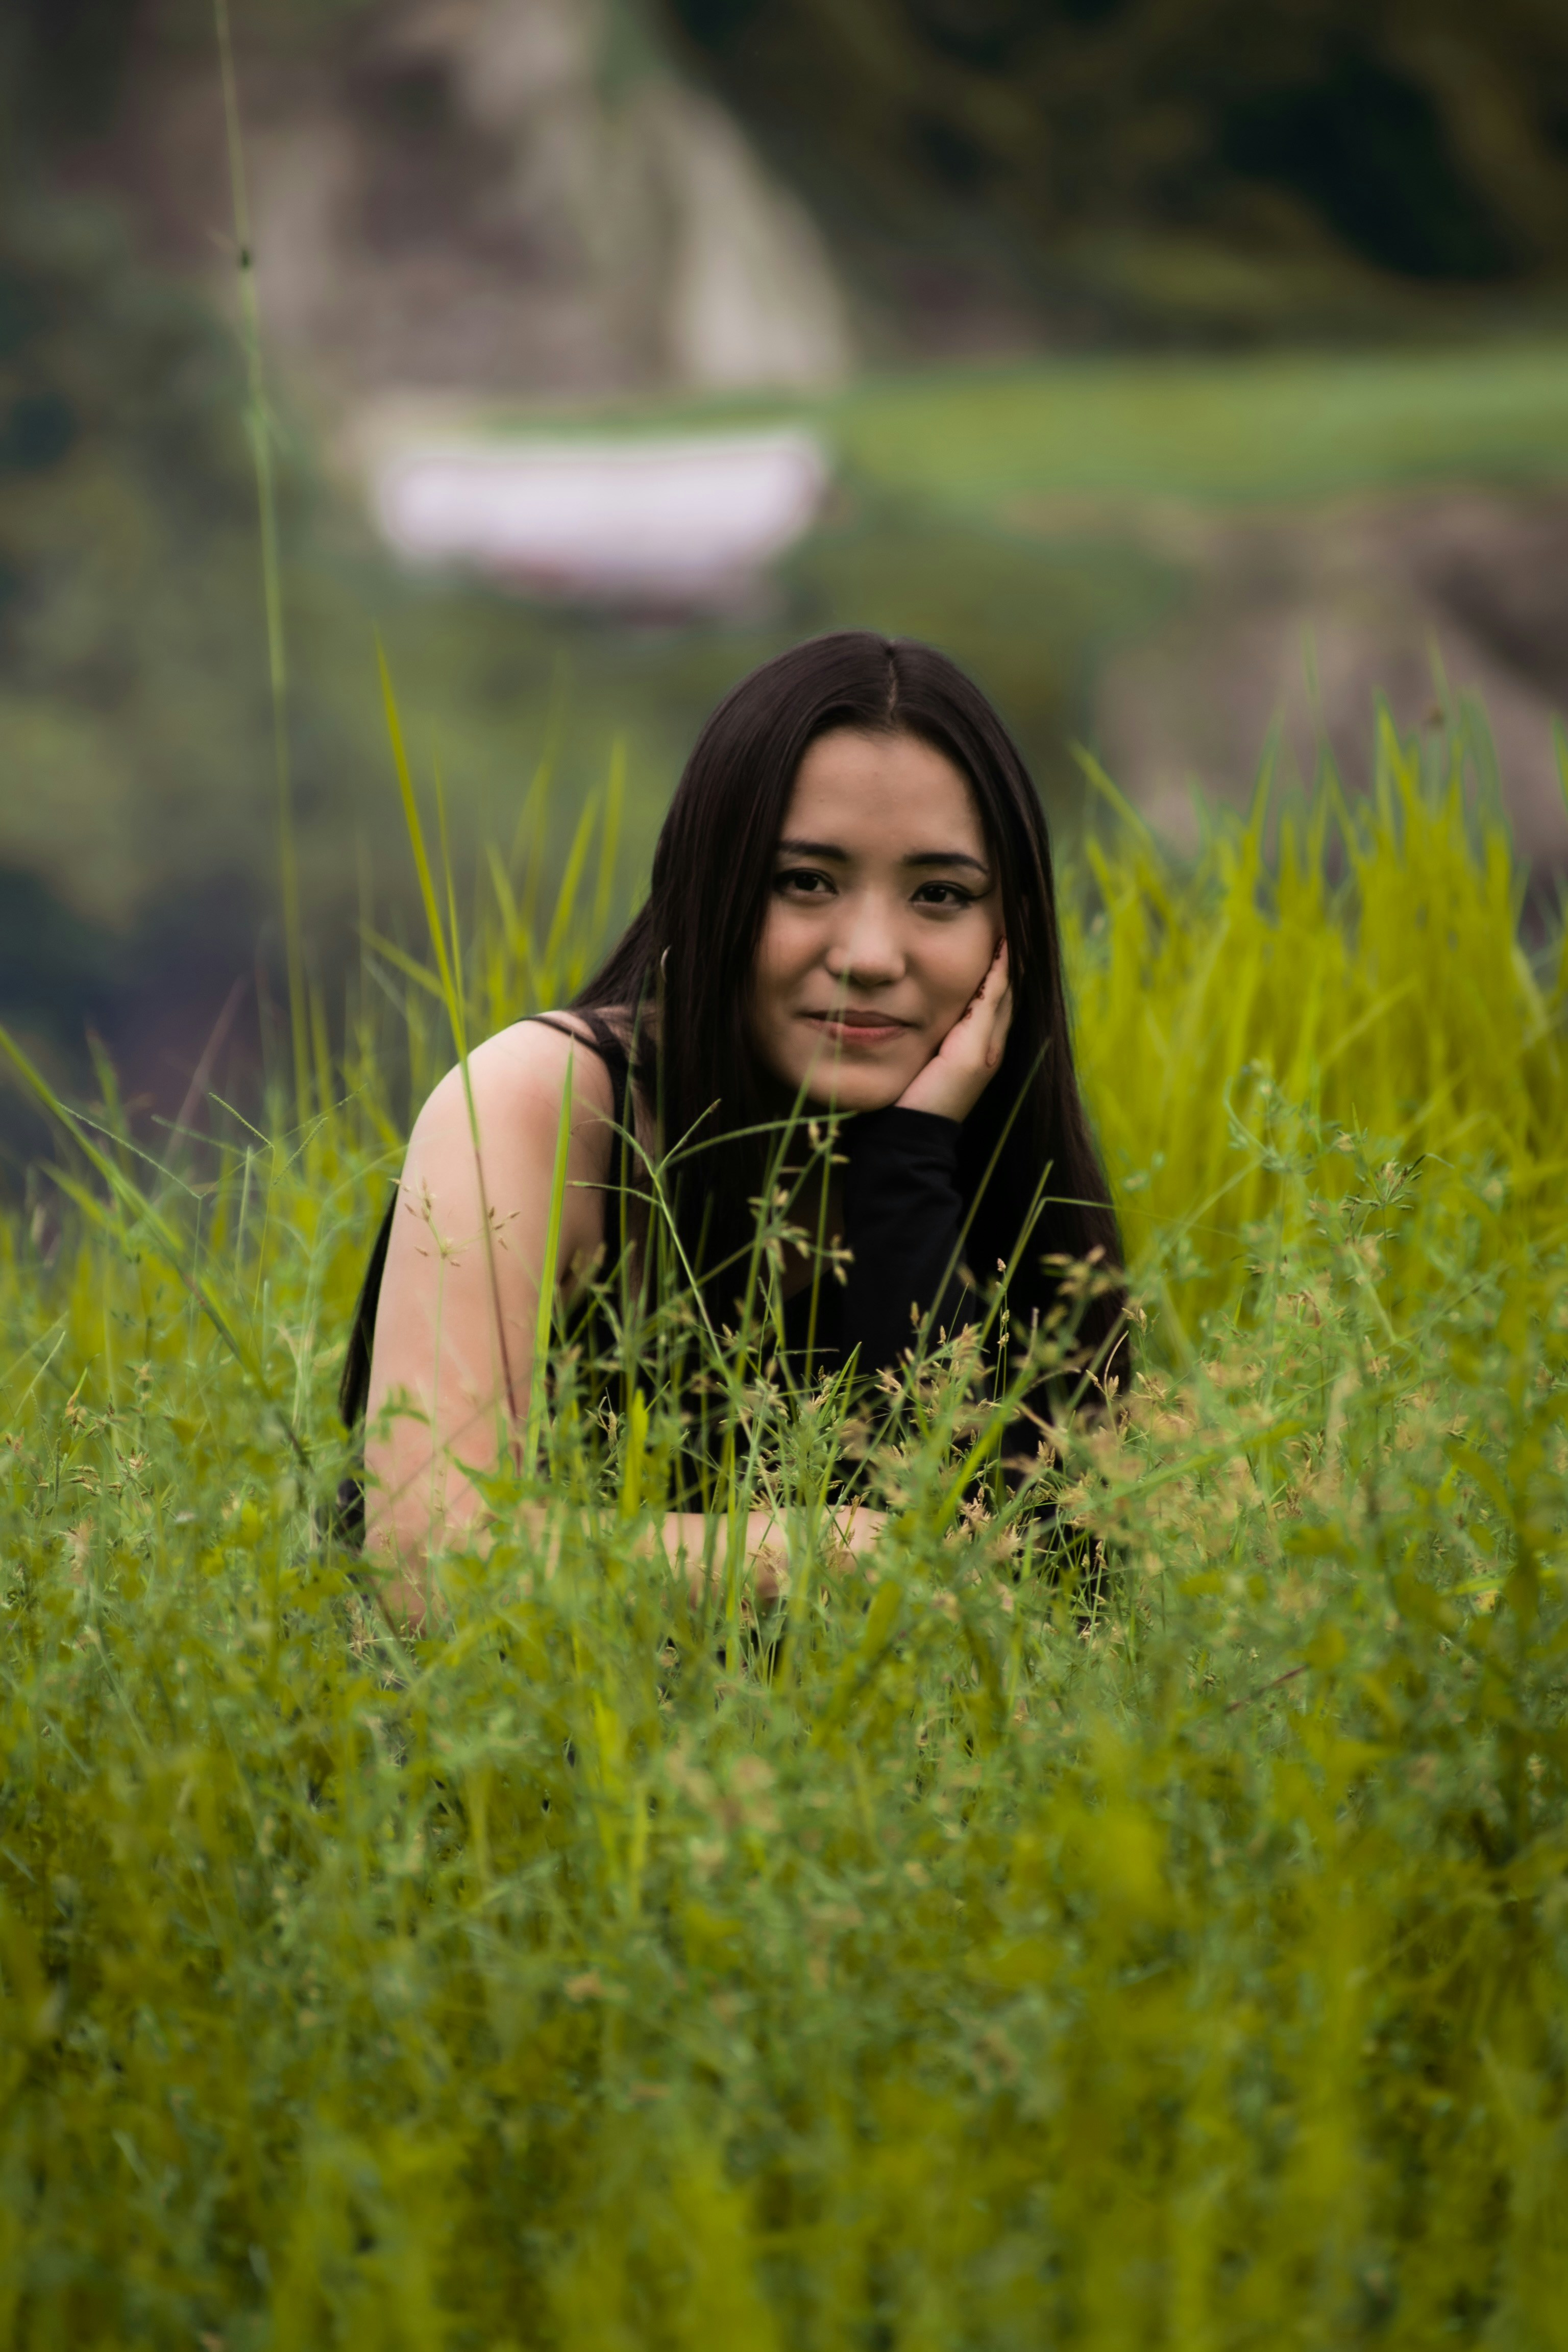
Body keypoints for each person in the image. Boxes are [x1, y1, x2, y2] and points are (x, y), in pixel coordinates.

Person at [340, 631, 1124, 1621]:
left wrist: (906, 1177)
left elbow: (1049, 1604)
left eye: (940, 895)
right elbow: (430, 1566)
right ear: (711, 891)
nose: (873, 954)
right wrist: (836, 1548)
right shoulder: (539, 1109)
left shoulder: (995, 1157)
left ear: (1009, 930)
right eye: (805, 882)